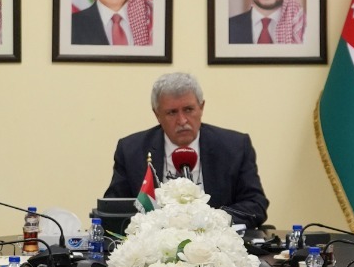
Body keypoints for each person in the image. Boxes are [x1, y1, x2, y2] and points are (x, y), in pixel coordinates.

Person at [103, 71, 268, 228]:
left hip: (214, 240)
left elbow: (255, 204)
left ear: (201, 107)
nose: (182, 120)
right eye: (172, 112)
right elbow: (114, 208)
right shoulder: (131, 150)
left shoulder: (235, 147)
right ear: (157, 115)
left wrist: (214, 220)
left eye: (188, 110)